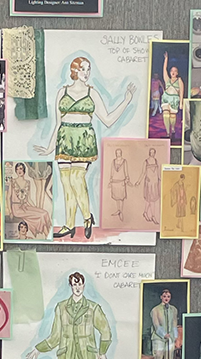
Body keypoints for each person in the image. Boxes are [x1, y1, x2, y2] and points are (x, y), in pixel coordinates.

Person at [34, 56, 137, 239]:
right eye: (83, 69)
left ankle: (88, 217)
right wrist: (51, 147)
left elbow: (107, 119)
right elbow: (58, 123)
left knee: (76, 179)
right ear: (74, 70)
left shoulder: (92, 93)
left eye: (88, 69)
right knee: (66, 184)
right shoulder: (62, 92)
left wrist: (126, 100)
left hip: (83, 139)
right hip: (64, 139)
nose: (86, 73)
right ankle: (69, 225)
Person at [6, 162, 51, 237]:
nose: (19, 171)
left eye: (20, 168)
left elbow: (29, 199)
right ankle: (47, 236)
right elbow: (8, 197)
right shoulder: (12, 181)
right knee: (41, 215)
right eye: (17, 169)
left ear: (24, 169)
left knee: (44, 212)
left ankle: (48, 236)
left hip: (26, 206)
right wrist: (10, 211)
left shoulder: (27, 182)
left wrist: (35, 208)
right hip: (17, 209)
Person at [149, 288, 179, 359]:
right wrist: (163, 334)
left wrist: (174, 336)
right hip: (158, 337)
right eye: (165, 296)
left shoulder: (173, 310)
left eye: (168, 297)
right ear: (161, 297)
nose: (166, 298)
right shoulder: (155, 310)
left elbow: (174, 323)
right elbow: (156, 324)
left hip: (170, 337)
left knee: (169, 357)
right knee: (158, 356)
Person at [160, 52, 184, 138]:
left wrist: (181, 103)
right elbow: (164, 69)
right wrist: (166, 59)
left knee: (172, 116)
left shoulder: (179, 80)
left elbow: (181, 91)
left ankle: (173, 129)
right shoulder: (167, 79)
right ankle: (167, 132)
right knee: (165, 114)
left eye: (175, 71)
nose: (173, 72)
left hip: (174, 99)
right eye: (172, 71)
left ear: (177, 73)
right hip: (166, 98)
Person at [108, 148, 131, 219]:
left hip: (121, 181)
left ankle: (121, 211)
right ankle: (118, 210)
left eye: (119, 153)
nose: (118, 154)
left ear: (121, 153)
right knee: (116, 198)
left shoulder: (124, 161)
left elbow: (126, 170)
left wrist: (127, 178)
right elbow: (112, 171)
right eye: (117, 153)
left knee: (121, 198)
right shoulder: (113, 161)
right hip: (115, 182)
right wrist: (110, 180)